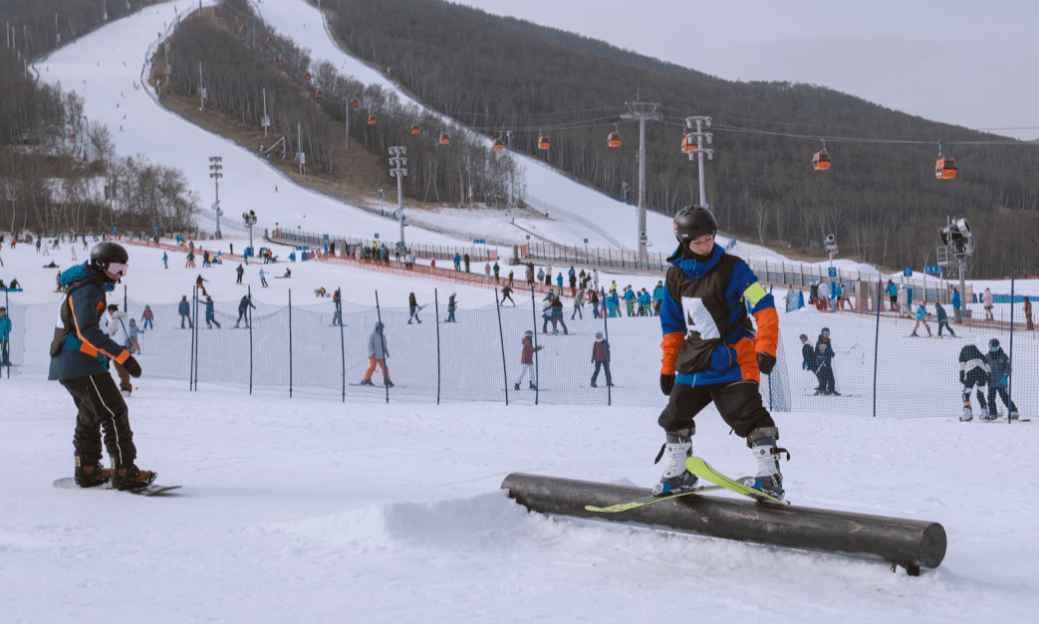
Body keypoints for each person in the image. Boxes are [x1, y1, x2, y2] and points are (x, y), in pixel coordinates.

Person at [654, 205, 785, 500]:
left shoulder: (735, 270)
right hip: (695, 362)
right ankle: (680, 472)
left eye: (709, 239)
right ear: (684, 243)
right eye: (697, 241)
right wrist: (667, 367)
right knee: (674, 415)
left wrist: (765, 347)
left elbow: (763, 306)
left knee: (747, 415)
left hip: (733, 360)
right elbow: (671, 326)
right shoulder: (675, 278)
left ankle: (770, 475)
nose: (705, 246)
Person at [48, 242, 154, 490]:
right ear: (99, 265)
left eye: (123, 269)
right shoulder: (88, 289)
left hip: (69, 363)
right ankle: (124, 471)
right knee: (114, 411)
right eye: (116, 268)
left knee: (92, 413)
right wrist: (123, 357)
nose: (119, 275)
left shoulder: (82, 285)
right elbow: (87, 331)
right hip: (80, 362)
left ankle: (87, 469)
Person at [104, 304, 134, 395]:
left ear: (111, 311)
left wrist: (106, 324)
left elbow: (108, 330)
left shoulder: (116, 320)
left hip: (117, 346)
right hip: (123, 346)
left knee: (119, 367)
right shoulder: (124, 319)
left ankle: (125, 388)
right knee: (122, 366)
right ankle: (125, 387)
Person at [986, 339, 1019, 421]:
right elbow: (984, 368)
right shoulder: (987, 357)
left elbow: (1008, 368)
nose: (993, 351)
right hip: (991, 381)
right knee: (990, 398)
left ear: (998, 347)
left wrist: (1005, 377)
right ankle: (992, 413)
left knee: (1004, 397)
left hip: (1001, 381)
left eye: (995, 349)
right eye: (991, 349)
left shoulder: (1003, 356)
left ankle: (1013, 411)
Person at [958, 343, 990, 422]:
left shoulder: (963, 354)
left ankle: (967, 414)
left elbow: (962, 366)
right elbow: (987, 364)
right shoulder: (980, 354)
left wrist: (961, 378)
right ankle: (985, 414)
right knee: (980, 394)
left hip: (971, 372)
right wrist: (989, 375)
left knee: (966, 394)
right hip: (982, 373)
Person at [359, 322, 393, 387]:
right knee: (372, 367)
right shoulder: (373, 335)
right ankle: (366, 380)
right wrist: (372, 353)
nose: (382, 329)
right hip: (373, 355)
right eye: (380, 328)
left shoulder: (383, 336)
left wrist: (387, 352)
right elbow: (370, 345)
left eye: (382, 328)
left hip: (380, 355)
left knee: (385, 367)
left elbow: (384, 345)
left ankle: (386, 380)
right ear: (377, 328)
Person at [814, 328, 838, 395]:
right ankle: (821, 390)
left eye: (828, 334)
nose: (827, 335)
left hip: (827, 362)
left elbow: (829, 350)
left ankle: (831, 390)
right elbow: (816, 352)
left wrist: (832, 353)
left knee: (831, 377)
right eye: (825, 334)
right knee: (823, 377)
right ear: (822, 334)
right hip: (822, 362)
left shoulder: (827, 341)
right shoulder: (820, 342)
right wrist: (822, 356)